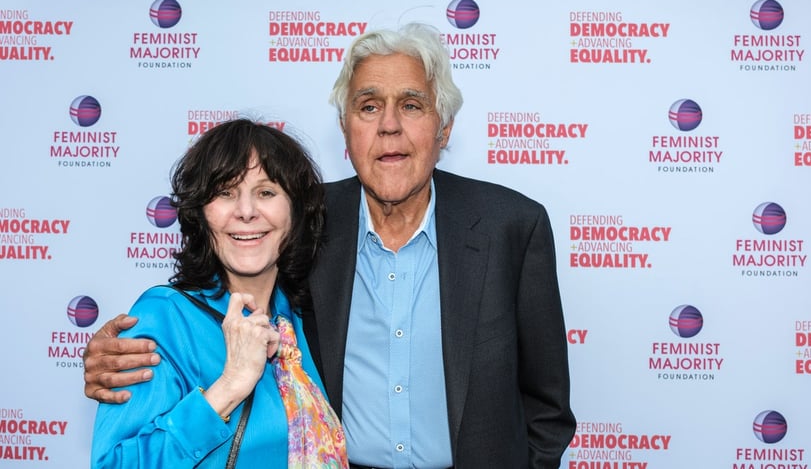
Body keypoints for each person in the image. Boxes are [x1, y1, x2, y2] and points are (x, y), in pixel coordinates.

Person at [85, 23, 576, 468]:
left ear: (443, 127)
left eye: (410, 104)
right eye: (367, 106)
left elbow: (547, 405)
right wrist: (114, 354)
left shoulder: (512, 225)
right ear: (345, 127)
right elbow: (196, 312)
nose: (388, 125)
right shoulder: (310, 222)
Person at [89, 119, 347, 468]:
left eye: (266, 192)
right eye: (225, 193)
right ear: (201, 213)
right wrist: (228, 388)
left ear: (295, 213)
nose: (245, 211)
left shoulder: (303, 321)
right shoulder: (164, 318)